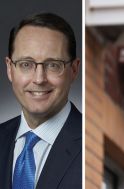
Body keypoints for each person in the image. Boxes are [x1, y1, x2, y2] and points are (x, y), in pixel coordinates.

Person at [0, 12, 81, 189]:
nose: (39, 79)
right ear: (9, 69)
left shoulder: (92, 146)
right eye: (26, 64)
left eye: (53, 65)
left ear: (74, 70)